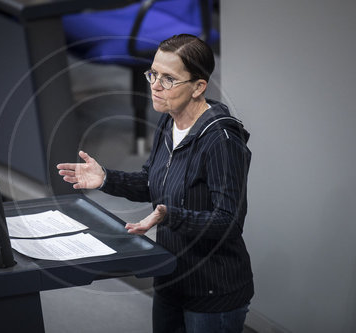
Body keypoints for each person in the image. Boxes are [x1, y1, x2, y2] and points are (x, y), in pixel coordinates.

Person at [57, 34, 253, 333]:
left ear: (199, 86)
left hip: (213, 290)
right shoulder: (168, 121)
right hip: (171, 277)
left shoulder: (221, 141)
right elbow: (152, 183)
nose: (156, 86)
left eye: (169, 79)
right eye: (153, 74)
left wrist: (170, 215)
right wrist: (106, 179)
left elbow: (228, 221)